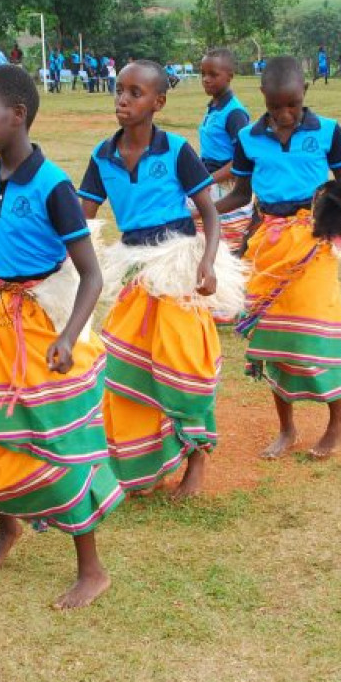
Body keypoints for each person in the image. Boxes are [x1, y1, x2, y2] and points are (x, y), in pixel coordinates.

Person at [0, 64, 123, 608]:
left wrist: (68, 337)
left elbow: (91, 273)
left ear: (17, 116)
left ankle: (91, 567)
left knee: (60, 443)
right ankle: (7, 525)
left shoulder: (53, 185)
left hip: (42, 331)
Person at [214, 56, 341, 460]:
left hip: (314, 241)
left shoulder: (328, 132)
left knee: (313, 329)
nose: (285, 115)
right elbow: (240, 194)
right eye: (275, 107)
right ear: (264, 99)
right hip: (268, 243)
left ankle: (338, 414)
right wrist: (200, 210)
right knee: (272, 336)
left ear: (305, 94)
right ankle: (286, 427)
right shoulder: (249, 138)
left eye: (293, 105)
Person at [79, 60, 241, 497]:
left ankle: (196, 459)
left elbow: (208, 210)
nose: (123, 100)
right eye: (119, 91)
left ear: (159, 102)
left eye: (136, 93)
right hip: (133, 268)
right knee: (126, 363)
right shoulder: (102, 156)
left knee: (181, 364)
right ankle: (142, 462)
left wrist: (206, 263)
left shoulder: (175, 150)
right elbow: (83, 218)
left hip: (178, 266)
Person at [198, 48, 255, 260]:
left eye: (213, 75)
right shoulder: (214, 106)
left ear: (230, 77)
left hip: (225, 190)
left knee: (226, 252)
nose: (206, 79)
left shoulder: (235, 113)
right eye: (203, 74)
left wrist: (207, 180)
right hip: (210, 183)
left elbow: (240, 162)